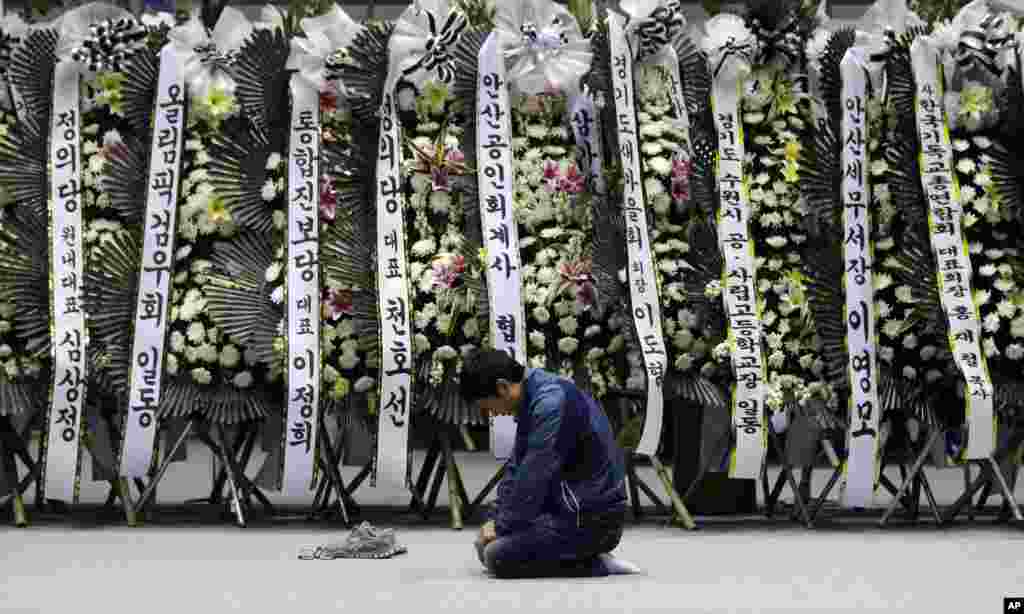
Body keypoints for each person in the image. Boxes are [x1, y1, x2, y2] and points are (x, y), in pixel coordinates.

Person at [460, 350, 641, 578]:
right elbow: (517, 468)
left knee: (497, 555)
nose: (489, 414)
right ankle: (568, 554)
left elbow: (534, 478)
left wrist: (501, 526)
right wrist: (496, 519)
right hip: (562, 506)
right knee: (487, 542)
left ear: (503, 387)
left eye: (486, 407)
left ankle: (597, 563)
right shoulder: (532, 394)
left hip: (592, 519)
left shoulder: (550, 403)